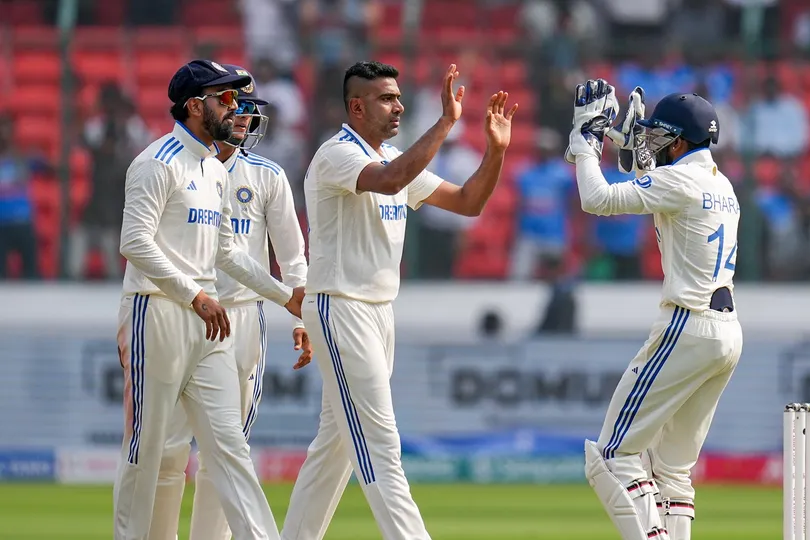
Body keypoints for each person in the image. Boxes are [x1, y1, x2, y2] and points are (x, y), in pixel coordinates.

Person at [280, 61, 518, 540]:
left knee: (335, 447)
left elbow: (469, 202)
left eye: (398, 96)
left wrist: (496, 151)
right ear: (356, 106)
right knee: (381, 445)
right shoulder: (337, 155)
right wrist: (447, 122)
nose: (398, 106)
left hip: (378, 312)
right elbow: (389, 181)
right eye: (386, 98)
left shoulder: (395, 159)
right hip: (339, 308)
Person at [115, 59, 305, 540]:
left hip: (210, 318)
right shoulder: (155, 163)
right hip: (157, 309)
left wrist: (288, 299)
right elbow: (134, 243)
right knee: (149, 450)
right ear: (195, 105)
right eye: (226, 98)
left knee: (230, 448)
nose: (236, 106)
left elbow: (226, 253)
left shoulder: (214, 171)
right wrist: (194, 294)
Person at [565, 81, 743, 540]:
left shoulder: (679, 181)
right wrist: (633, 148)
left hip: (687, 325)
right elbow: (663, 203)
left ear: (679, 142)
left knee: (612, 456)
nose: (650, 143)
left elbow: (596, 199)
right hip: (726, 333)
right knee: (671, 472)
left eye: (658, 137)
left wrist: (587, 139)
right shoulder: (721, 185)